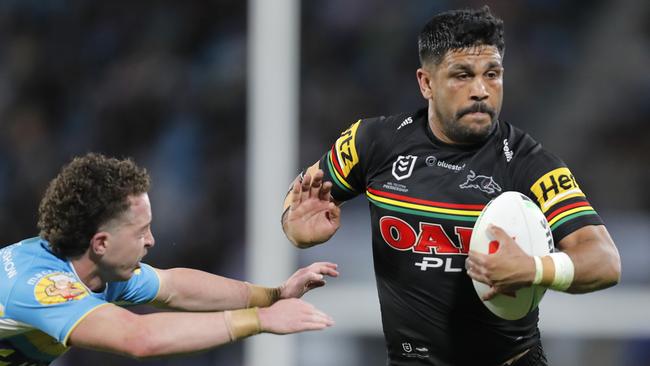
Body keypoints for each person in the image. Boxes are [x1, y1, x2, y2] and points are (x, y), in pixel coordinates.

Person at [281, 6, 621, 366]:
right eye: (462, 75)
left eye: (492, 74)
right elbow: (298, 201)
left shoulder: (529, 164)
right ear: (426, 82)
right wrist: (296, 227)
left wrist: (535, 269)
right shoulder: (372, 142)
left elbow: (605, 261)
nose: (480, 91)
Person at [0, 153, 338, 365]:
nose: (151, 241)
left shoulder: (95, 271)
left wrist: (274, 295)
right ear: (101, 243)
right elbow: (140, 338)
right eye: (141, 231)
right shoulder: (42, 286)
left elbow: (174, 287)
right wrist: (260, 320)